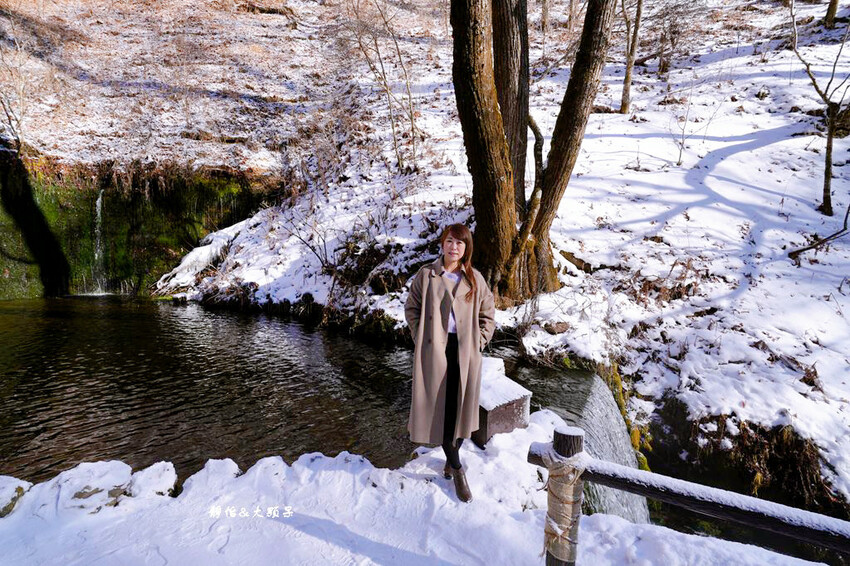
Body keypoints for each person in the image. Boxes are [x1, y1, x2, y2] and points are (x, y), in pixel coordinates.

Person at [404, 223, 496, 503]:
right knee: (439, 408)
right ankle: (457, 468)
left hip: (465, 351)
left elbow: (488, 315)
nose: (453, 247)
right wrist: (421, 335)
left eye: (460, 243)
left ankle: (450, 458)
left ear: (466, 248)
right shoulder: (427, 275)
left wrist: (479, 341)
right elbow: (412, 307)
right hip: (435, 350)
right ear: (442, 244)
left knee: (458, 409)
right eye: (449, 241)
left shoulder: (475, 279)